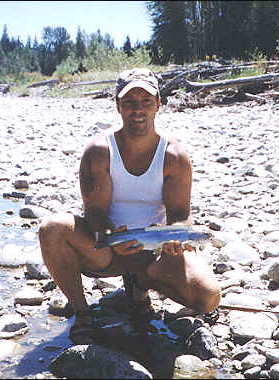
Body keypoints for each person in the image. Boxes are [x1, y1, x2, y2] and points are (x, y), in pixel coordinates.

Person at [38, 68, 221, 344]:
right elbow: (95, 212)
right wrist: (110, 238)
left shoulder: (175, 157)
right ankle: (82, 311)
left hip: (155, 255)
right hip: (106, 249)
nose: (138, 109)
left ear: (158, 104)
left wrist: (177, 237)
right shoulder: (99, 151)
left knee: (208, 297)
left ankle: (139, 287)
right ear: (117, 106)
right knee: (51, 227)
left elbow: (181, 215)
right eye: (130, 102)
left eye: (146, 101)